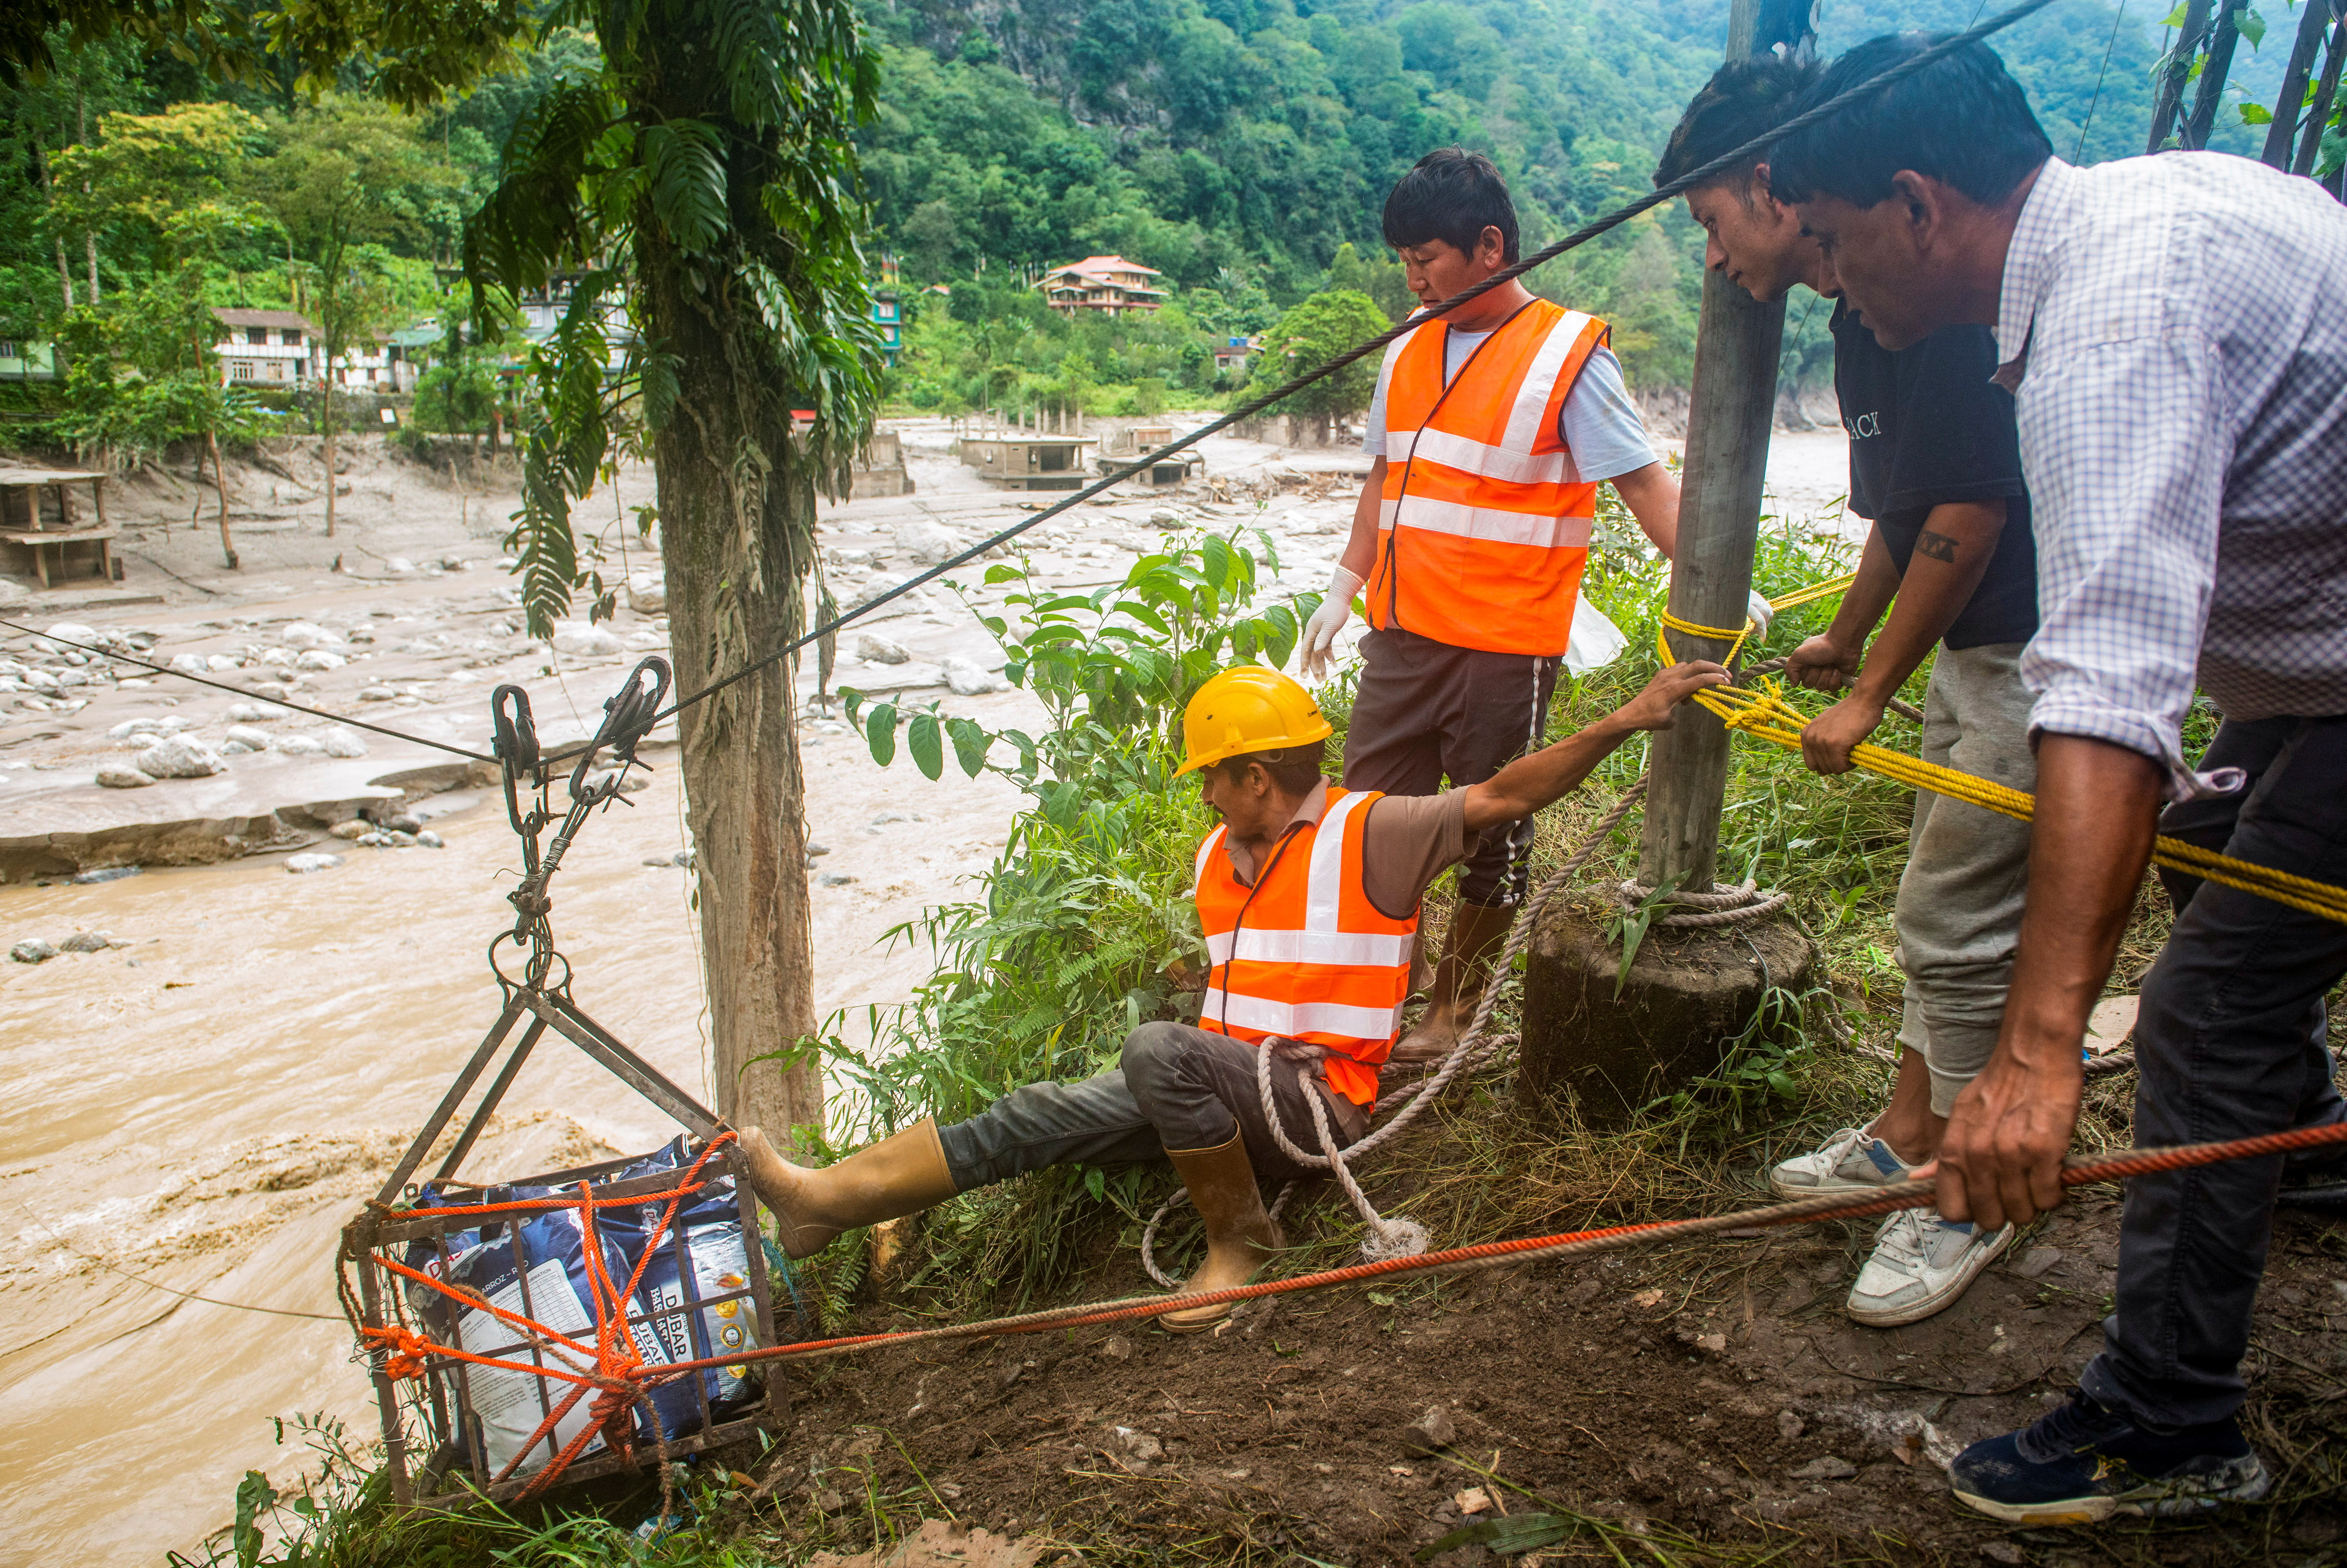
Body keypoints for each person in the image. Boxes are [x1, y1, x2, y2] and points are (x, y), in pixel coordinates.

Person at [1767, 32, 2347, 1525]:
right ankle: (2308, 1141)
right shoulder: (2131, 221)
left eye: (1826, 240)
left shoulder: (2109, 326)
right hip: (2314, 669)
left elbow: (2106, 690)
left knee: (2204, 1010)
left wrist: (2035, 1053)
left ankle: (2169, 1421)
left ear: (1916, 203)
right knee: (2218, 870)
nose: (1823, 277)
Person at [738, 658, 1729, 1331]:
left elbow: (1507, 796)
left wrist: (1630, 716)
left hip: (1316, 1106)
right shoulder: (1222, 855)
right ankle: (827, 1202)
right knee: (1036, 1113)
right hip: (1225, 1090)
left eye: (1213, 778)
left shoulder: (1370, 831)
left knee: (1155, 1049)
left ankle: (1244, 1236)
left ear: (1257, 777)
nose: (1203, 795)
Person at [1653, 59, 2040, 1329]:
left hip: (2027, 653)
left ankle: (1965, 1185)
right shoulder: (1861, 315)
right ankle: (1910, 1126)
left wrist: (1871, 690)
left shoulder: (1928, 302)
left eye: (1712, 223)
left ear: (1778, 184)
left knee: (1955, 909)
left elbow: (1973, 511)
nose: (1717, 260)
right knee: (1948, 899)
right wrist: (1851, 644)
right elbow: (1900, 514)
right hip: (1974, 652)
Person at [1299, 146, 1773, 1064]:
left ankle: (1454, 1019)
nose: (1416, 278)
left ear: (1489, 246)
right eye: (1404, 262)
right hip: (1400, 636)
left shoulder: (1565, 353)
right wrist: (1341, 586)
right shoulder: (1405, 343)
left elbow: (1643, 485)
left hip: (1503, 646)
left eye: (1426, 258)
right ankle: (1368, 1008)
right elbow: (1382, 480)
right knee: (1365, 822)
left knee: (1489, 830)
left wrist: (1722, 585)